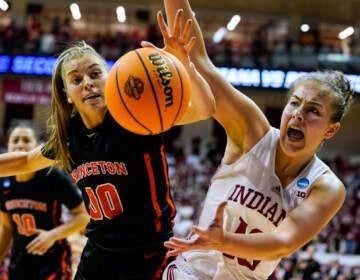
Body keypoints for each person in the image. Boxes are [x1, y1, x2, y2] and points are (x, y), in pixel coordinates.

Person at [0, 10, 215, 280]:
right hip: (98, 253)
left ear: (110, 76)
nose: (88, 83)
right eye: (77, 80)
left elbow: (206, 108)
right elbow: (24, 161)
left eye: (94, 74)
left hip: (147, 253)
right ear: (66, 95)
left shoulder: (137, 117)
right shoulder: (70, 138)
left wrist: (185, 67)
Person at [158, 1, 355, 279]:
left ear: (331, 130)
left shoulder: (326, 187)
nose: (298, 115)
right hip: (189, 272)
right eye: (295, 104)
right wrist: (184, 58)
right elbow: (201, 62)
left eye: (313, 111)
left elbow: (283, 243)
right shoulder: (253, 133)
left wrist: (223, 240)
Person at [0, 124, 89, 280]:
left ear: (36, 146)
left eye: (26, 140)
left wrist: (51, 236)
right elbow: (7, 228)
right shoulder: (3, 182)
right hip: (19, 259)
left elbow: (83, 216)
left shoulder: (53, 177)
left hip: (52, 258)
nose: (20, 144)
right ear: (8, 146)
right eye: (15, 140)